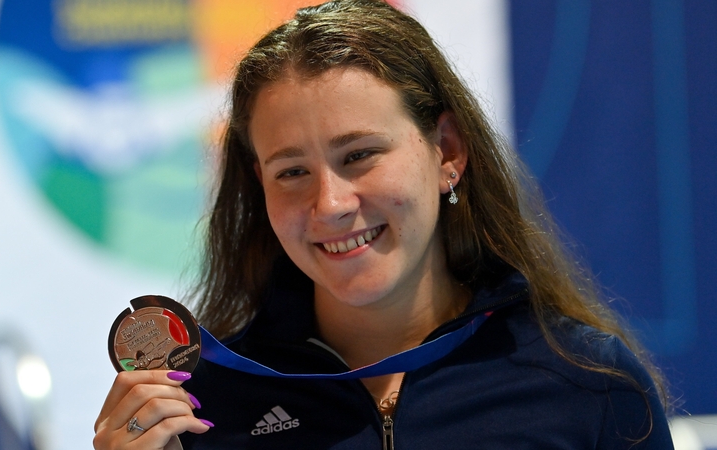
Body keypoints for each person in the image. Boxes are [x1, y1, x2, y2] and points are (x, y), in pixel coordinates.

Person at [94, 1, 674, 449]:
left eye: (359, 155)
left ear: (445, 150)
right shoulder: (201, 414)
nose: (330, 205)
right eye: (291, 171)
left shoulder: (585, 383)